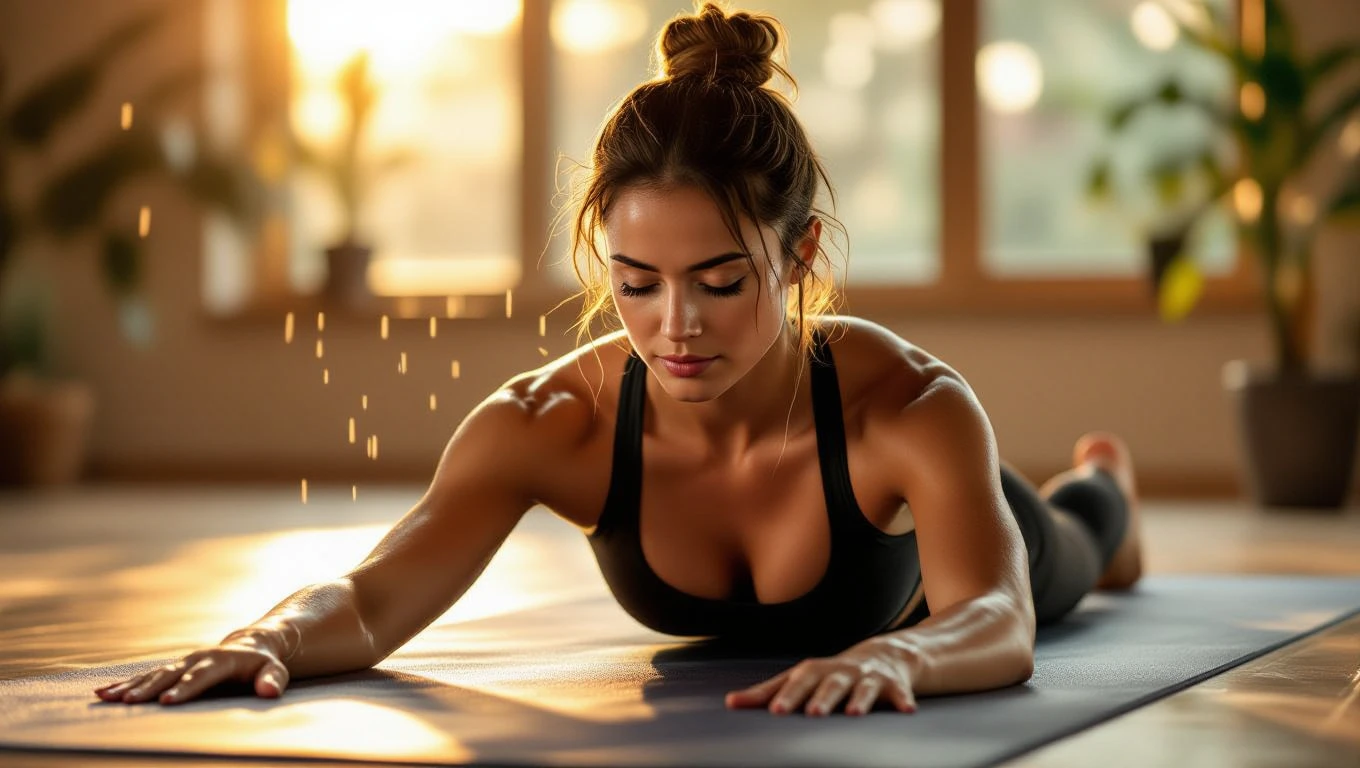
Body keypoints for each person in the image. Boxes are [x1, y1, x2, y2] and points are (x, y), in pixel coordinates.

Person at [95, 2, 1142, 717]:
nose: (675, 324)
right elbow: (371, 600)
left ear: (800, 253)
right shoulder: (549, 422)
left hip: (951, 556)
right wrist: (273, 635)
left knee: (1071, 550)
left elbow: (996, 621)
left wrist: (904, 651)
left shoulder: (908, 406)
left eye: (721, 282)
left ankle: (1107, 490)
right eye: (637, 282)